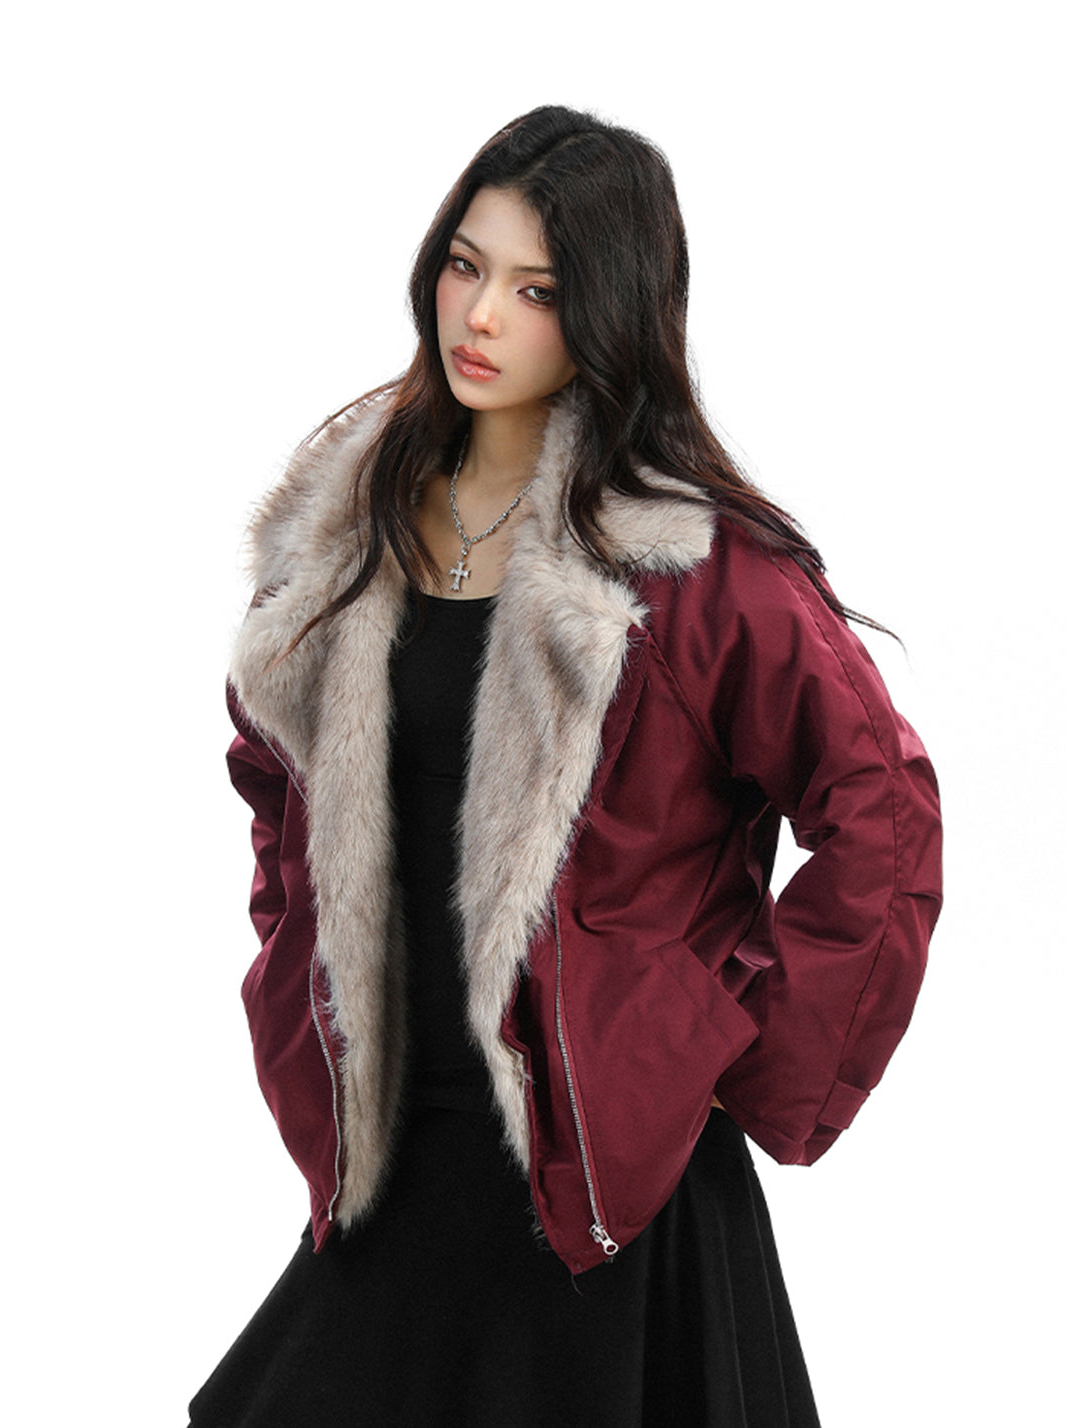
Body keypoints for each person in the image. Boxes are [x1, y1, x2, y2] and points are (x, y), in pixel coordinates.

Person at [189, 106, 942, 1427]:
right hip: (396, 1169)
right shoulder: (344, 540)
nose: (480, 315)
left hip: (608, 1194)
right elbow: (274, 776)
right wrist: (301, 954)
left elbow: (883, 807)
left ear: (608, 312)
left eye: (537, 290)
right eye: (464, 264)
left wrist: (721, 1048)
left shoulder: (689, 570)